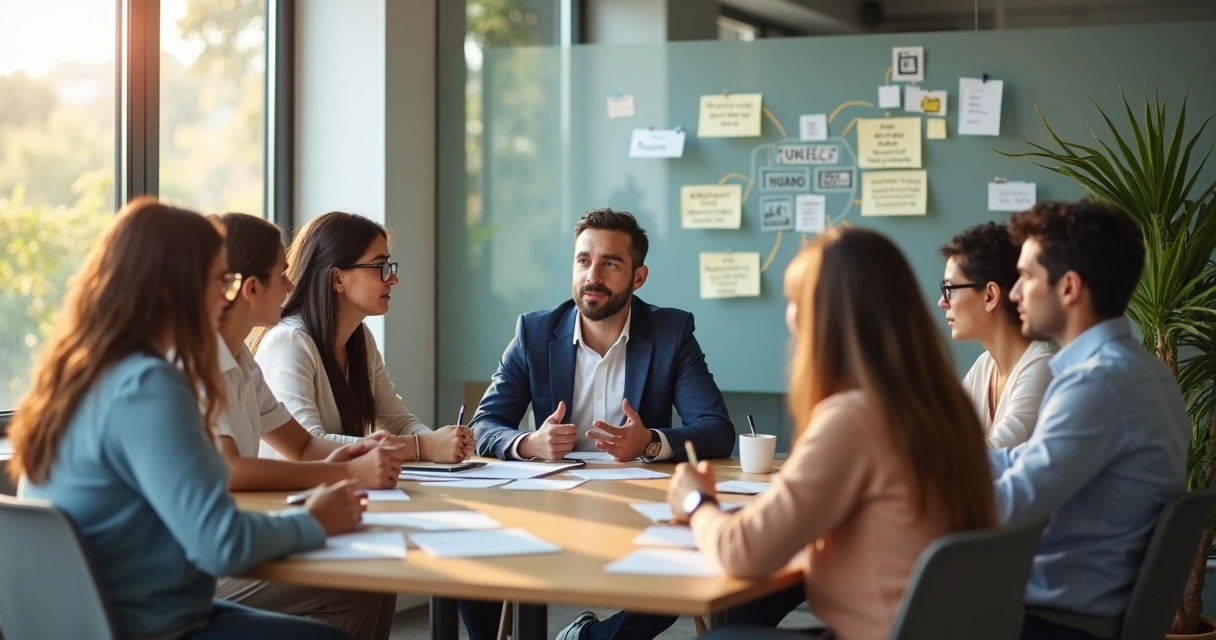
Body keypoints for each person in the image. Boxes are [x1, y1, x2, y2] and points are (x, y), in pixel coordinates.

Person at [8, 197, 363, 640]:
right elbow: (221, 542)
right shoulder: (149, 387)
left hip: (93, 618)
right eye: (217, 280)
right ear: (170, 291)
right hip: (148, 625)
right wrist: (312, 521)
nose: (225, 295)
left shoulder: (77, 377)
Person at [666, 226, 997, 640]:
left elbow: (740, 552)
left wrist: (696, 499)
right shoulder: (944, 405)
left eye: (794, 301)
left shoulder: (853, 417)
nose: (789, 316)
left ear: (820, 317)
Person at [470, 208, 735, 640]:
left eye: (610, 263)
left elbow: (715, 428)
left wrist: (650, 443)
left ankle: (588, 638)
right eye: (583, 261)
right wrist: (528, 443)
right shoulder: (534, 333)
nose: (593, 275)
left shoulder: (672, 332)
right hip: (549, 506)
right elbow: (485, 424)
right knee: (472, 548)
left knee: (682, 572)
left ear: (638, 276)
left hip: (638, 507)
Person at [995, 201, 1189, 640]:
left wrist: (906, 491)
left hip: (1053, 625)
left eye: (1026, 276)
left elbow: (1011, 503)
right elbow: (1022, 459)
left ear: (1069, 288)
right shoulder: (1138, 371)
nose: (1013, 293)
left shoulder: (1098, 383)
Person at [209, 212, 402, 640]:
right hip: (193, 569)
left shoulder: (241, 361)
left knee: (377, 574)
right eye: (282, 274)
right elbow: (230, 471)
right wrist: (350, 471)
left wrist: (360, 455)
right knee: (365, 575)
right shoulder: (199, 364)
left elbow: (300, 444)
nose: (293, 285)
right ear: (251, 288)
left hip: (219, 541)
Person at [252, 211, 473, 462]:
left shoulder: (360, 338)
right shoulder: (289, 341)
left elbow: (398, 421)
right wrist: (423, 446)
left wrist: (444, 443)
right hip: (290, 498)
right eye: (379, 267)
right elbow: (308, 445)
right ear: (337, 278)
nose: (393, 279)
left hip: (342, 489)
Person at [938, 222, 1054, 448]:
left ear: (990, 296)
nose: (942, 301)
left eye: (950, 289)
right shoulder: (985, 365)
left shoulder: (1042, 367)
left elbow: (993, 460)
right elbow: (945, 438)